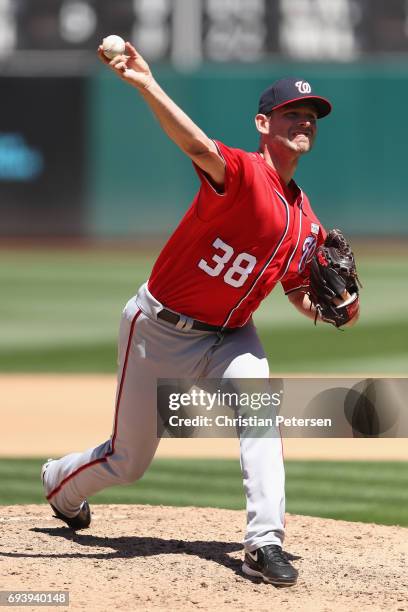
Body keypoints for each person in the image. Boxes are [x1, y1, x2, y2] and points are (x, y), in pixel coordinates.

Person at [41, 41, 359, 587]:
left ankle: (264, 542)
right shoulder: (238, 172)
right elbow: (191, 140)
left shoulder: (307, 219)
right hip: (159, 328)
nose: (304, 122)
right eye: (292, 114)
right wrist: (145, 82)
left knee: (260, 414)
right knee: (128, 462)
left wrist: (340, 309)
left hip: (232, 338)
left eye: (311, 117)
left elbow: (296, 291)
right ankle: (59, 484)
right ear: (264, 123)